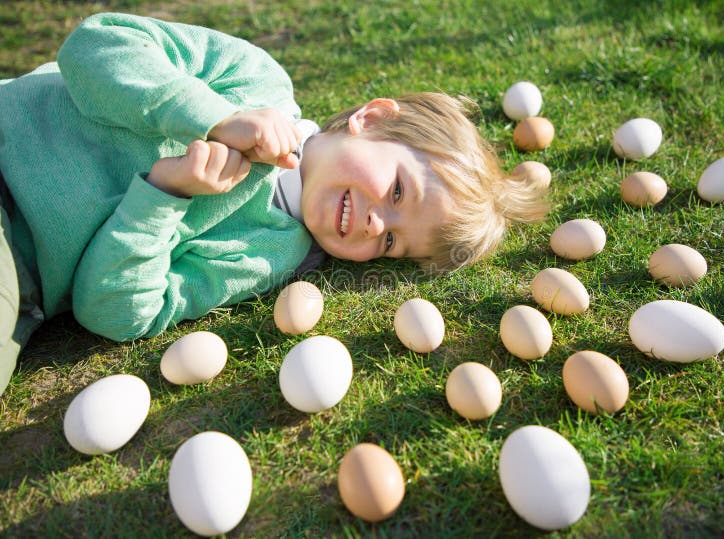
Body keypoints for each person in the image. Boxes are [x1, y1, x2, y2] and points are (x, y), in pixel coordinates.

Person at [0, 12, 547, 395]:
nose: (378, 222)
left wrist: (162, 196)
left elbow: (116, 314)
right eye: (399, 191)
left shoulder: (269, 254)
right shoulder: (256, 80)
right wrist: (212, 117)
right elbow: (97, 44)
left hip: (16, 269)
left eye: (391, 242)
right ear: (371, 120)